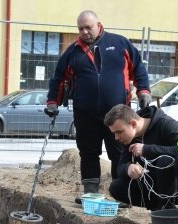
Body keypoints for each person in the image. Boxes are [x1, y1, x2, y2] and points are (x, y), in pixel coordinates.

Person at [46, 10, 151, 203]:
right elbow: (58, 78)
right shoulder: (73, 52)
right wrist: (52, 102)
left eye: (89, 27)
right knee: (88, 152)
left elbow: (138, 67)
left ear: (98, 25)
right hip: (85, 113)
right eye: (81, 28)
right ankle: (91, 192)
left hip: (117, 114)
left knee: (119, 153)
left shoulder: (119, 43)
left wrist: (143, 90)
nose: (85, 31)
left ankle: (121, 194)